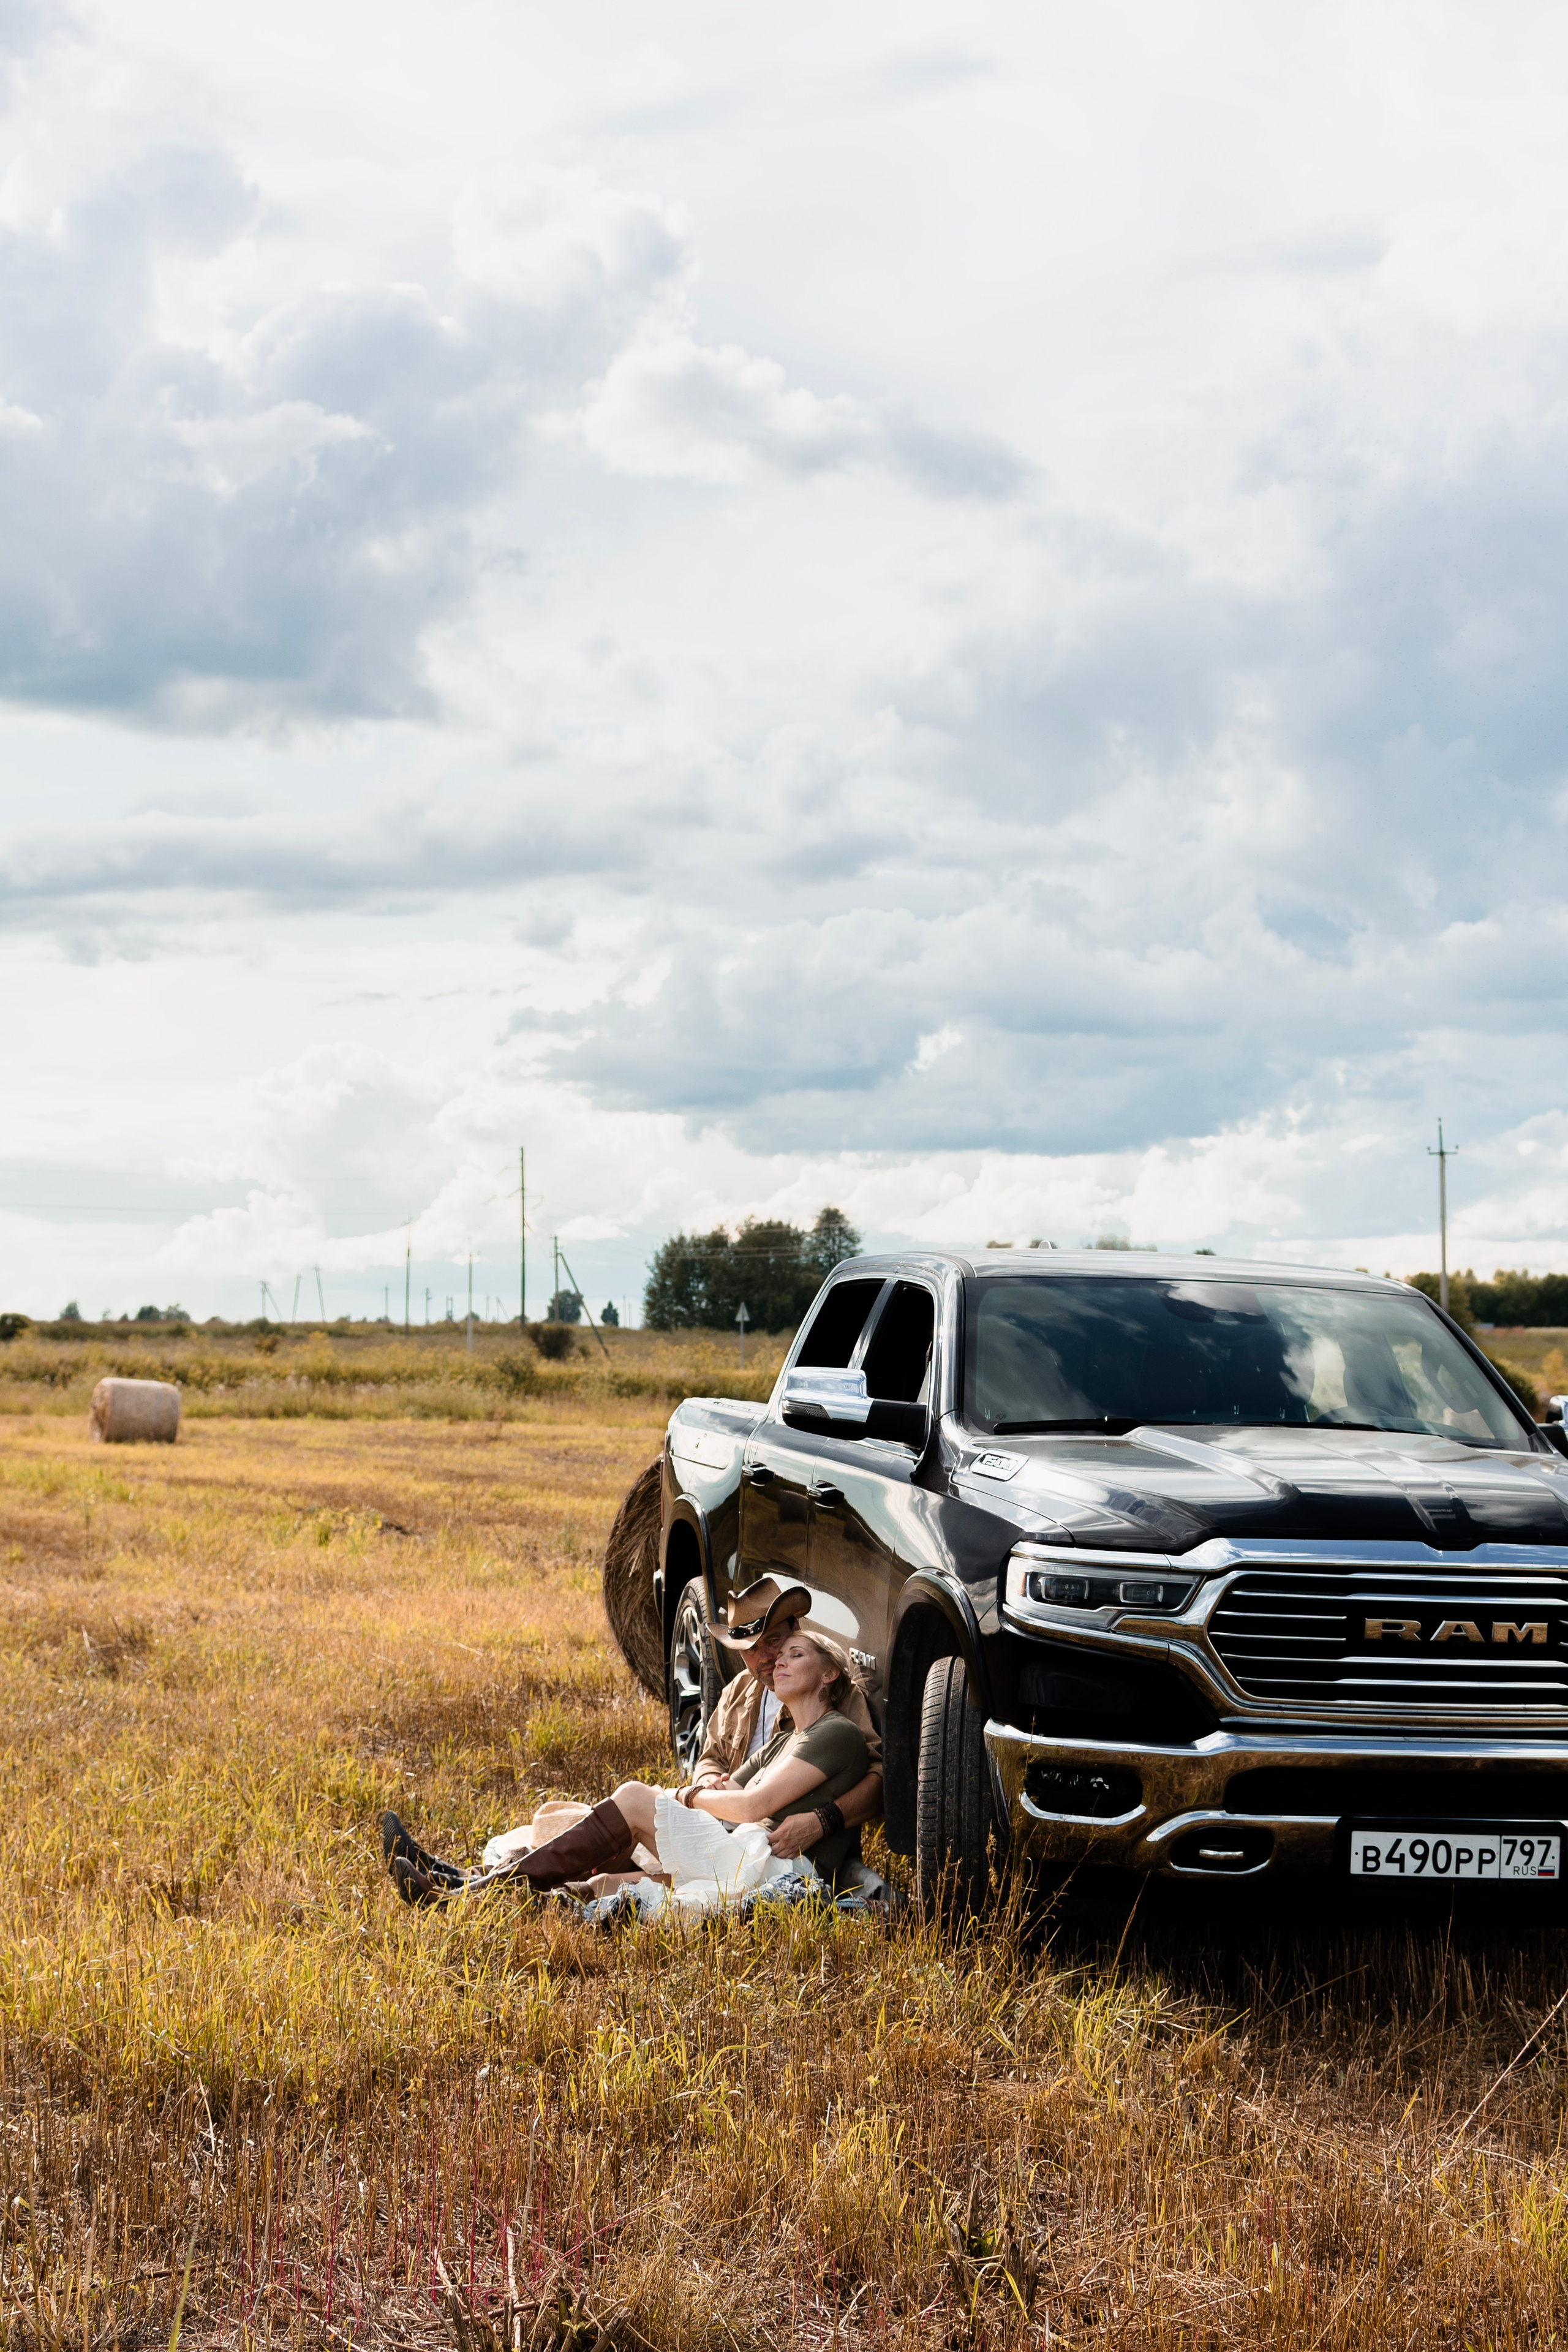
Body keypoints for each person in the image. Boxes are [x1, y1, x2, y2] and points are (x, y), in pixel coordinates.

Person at [382, 1629, 869, 1907]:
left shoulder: (836, 1734)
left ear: (828, 1674)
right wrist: (696, 1795)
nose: (777, 1662)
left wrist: (686, 1798)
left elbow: (751, 1804)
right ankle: (464, 1890)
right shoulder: (786, 1739)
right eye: (777, 1656)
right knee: (613, 1885)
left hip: (769, 1870)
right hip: (738, 1852)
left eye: (794, 1654)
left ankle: (466, 1891)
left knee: (637, 1796)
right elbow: (729, 1791)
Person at [692, 1577, 884, 1863]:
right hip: (729, 1826)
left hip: (795, 1852)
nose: (767, 1658)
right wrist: (709, 1785)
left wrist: (824, 1821)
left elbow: (879, 1777)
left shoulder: (835, 1695)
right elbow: (710, 1758)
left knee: (638, 1806)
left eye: (773, 1641)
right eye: (751, 1649)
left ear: (796, 1628)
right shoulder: (737, 1690)